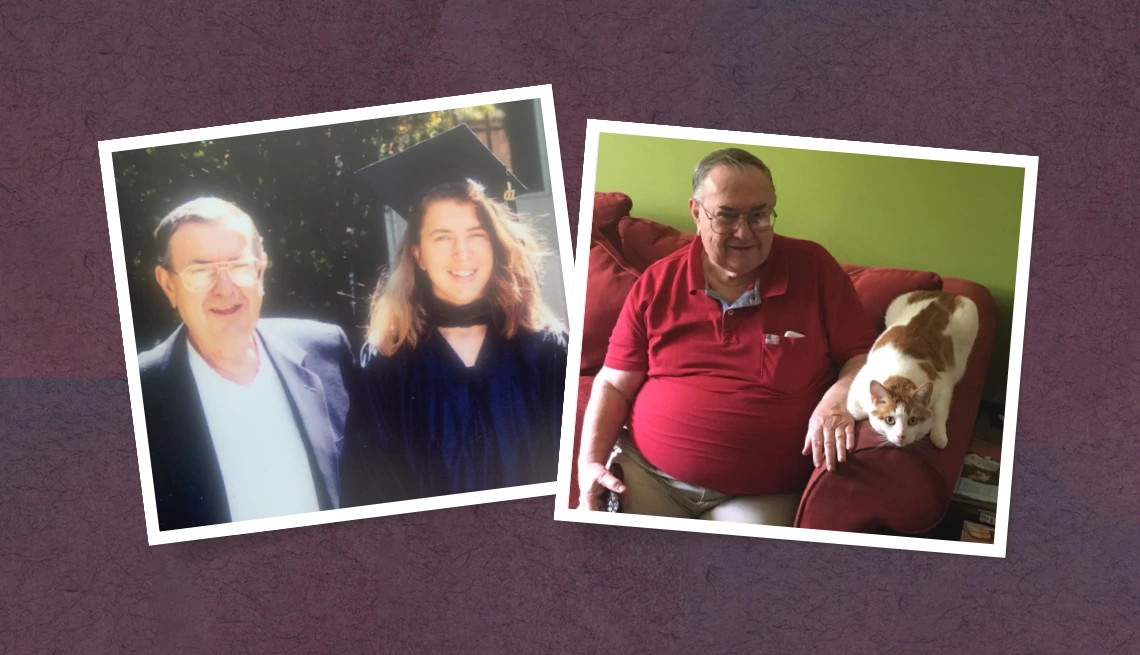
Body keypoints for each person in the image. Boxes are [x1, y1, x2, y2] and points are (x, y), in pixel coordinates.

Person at [577, 148, 878, 525]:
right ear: (696, 213)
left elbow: (863, 354)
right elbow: (613, 384)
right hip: (648, 475)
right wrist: (588, 464)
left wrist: (837, 401)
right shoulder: (658, 282)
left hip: (759, 494)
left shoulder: (814, 270)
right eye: (727, 215)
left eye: (759, 215)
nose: (745, 232)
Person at [351, 126, 568, 500]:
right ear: (418, 254)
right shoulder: (386, 361)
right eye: (442, 237)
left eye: (475, 234)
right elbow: (372, 490)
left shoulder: (544, 348)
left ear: (496, 243)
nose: (462, 253)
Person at [138, 197, 362, 531]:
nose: (224, 288)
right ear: (168, 284)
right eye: (200, 272)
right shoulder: (135, 395)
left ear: (260, 270)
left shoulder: (326, 352)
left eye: (239, 266)